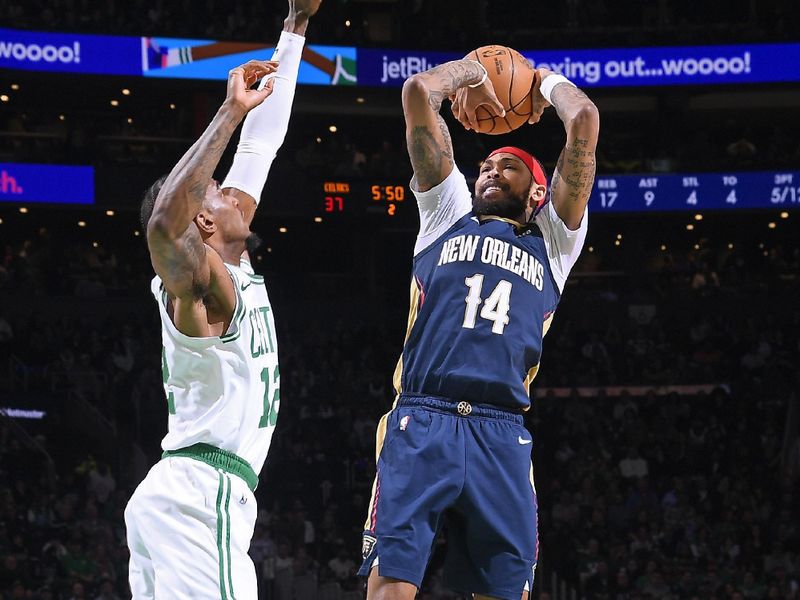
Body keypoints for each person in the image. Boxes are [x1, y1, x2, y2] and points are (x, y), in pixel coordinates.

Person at [358, 57, 599, 599]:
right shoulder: (445, 214)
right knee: (391, 584)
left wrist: (542, 84)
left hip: (501, 429)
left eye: (507, 165)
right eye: (486, 163)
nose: (490, 169)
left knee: (503, 590)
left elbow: (584, 120)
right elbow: (419, 92)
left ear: (538, 192)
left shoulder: (554, 244)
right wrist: (470, 73)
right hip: (423, 416)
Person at [124, 1, 321, 598]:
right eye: (217, 192)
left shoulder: (230, 260)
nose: (235, 191)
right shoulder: (201, 286)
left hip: (189, 496)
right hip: (198, 496)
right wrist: (227, 110)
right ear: (203, 224)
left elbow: (262, 144)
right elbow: (163, 224)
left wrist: (296, 27)